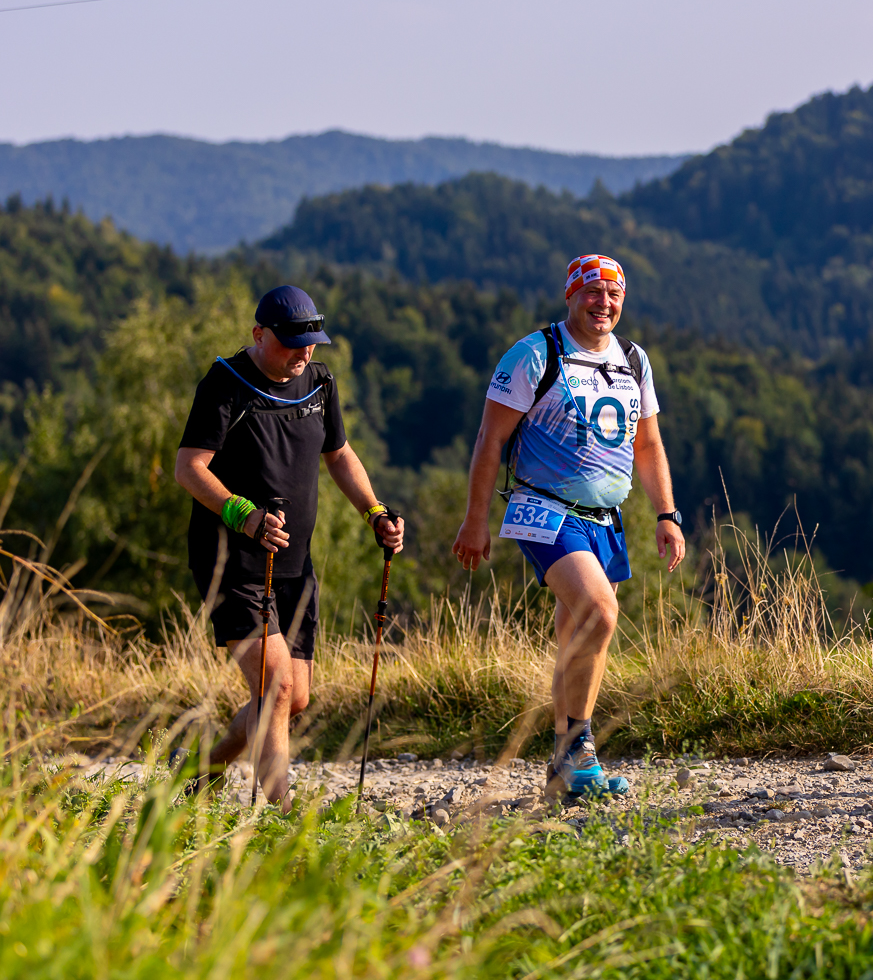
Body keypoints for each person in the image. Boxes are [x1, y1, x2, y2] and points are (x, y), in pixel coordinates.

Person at [452, 254, 686, 795]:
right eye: (592, 293)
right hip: (544, 509)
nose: (603, 303)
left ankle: (563, 770)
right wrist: (474, 520)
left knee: (576, 634)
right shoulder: (535, 353)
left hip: (606, 517)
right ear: (570, 296)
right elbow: (490, 438)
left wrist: (666, 513)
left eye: (613, 294)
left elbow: (648, 445)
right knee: (600, 613)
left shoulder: (633, 359)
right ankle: (580, 751)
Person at [174, 285, 404, 807]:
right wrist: (243, 515)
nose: (303, 354)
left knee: (292, 699)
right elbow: (189, 467)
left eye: (311, 343)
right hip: (232, 561)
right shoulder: (225, 383)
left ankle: (201, 770)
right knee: (274, 686)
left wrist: (374, 511)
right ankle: (279, 816)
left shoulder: (319, 382)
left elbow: (339, 454)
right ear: (259, 334)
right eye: (291, 343)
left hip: (294, 565)